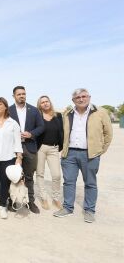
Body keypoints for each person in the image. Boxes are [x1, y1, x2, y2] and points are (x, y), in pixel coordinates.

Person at [53, 88, 112, 223]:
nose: (81, 99)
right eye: (78, 97)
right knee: (68, 182)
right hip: (70, 154)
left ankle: (90, 210)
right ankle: (68, 208)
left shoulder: (100, 112)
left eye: (84, 96)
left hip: (90, 154)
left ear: (89, 97)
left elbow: (108, 134)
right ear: (73, 100)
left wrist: (99, 150)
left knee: (90, 183)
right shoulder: (68, 113)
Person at [9, 86, 45, 214]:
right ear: (14, 96)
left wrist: (31, 134)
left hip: (29, 147)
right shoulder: (8, 110)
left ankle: (30, 201)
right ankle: (11, 201)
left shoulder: (34, 110)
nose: (22, 96)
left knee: (29, 177)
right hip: (12, 149)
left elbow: (41, 127)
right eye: (19, 94)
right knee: (12, 176)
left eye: (23, 94)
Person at [36, 95, 64, 210]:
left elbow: (62, 131)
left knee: (57, 175)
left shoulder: (58, 115)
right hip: (41, 148)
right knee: (40, 173)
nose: (45, 103)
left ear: (50, 102)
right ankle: (43, 197)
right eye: (42, 102)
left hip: (54, 148)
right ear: (39, 105)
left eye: (46, 101)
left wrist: (60, 147)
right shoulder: (37, 116)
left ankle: (56, 198)